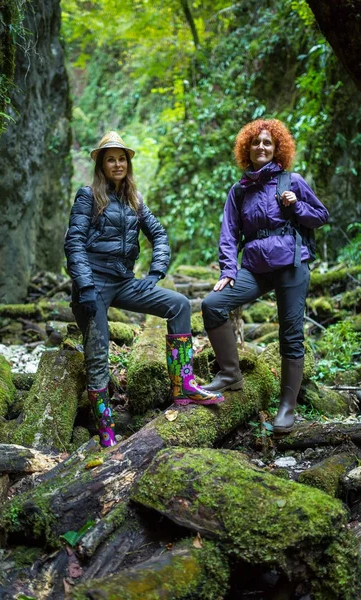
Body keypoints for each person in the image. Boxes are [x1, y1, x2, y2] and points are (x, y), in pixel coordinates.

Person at [64, 131, 224, 448]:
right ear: (101, 165)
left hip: (124, 281)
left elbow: (160, 235)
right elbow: (74, 243)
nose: (117, 163)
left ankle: (184, 386)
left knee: (178, 304)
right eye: (111, 158)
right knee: (98, 355)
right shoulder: (88, 195)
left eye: (122, 158)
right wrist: (83, 284)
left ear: (128, 163)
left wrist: (156, 271)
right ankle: (106, 430)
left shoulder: (135, 201)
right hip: (92, 284)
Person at [201, 118, 329, 434]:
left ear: (276, 149)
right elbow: (228, 233)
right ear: (247, 148)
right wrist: (228, 271)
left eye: (267, 143)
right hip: (255, 269)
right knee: (212, 304)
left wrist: (296, 205)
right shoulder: (239, 190)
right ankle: (231, 374)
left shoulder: (291, 181)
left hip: (291, 264)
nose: (261, 147)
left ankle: (287, 406)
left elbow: (320, 217)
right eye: (256, 142)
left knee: (290, 332)